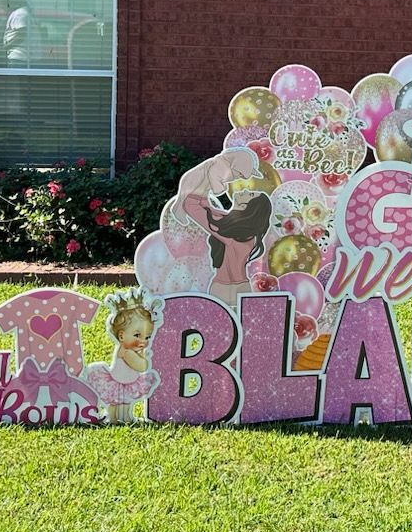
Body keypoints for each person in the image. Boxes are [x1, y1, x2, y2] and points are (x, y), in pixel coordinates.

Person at [174, 149, 271, 306]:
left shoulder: (235, 235)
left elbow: (193, 208)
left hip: (226, 288)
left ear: (247, 207)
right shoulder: (239, 230)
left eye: (251, 195)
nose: (246, 189)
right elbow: (212, 211)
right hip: (234, 286)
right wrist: (204, 191)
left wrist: (199, 187)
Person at [82, 288, 163, 423]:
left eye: (147, 336)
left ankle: (123, 418)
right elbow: (141, 366)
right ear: (121, 336)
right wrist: (146, 358)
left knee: (123, 402)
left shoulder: (132, 350)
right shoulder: (126, 352)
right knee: (116, 402)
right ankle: (114, 418)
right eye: (137, 335)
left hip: (128, 381)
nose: (143, 341)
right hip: (118, 381)